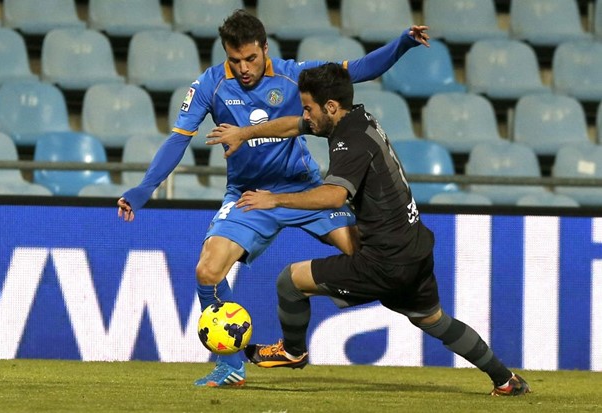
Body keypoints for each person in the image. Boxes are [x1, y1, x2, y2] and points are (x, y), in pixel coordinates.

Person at [117, 8, 430, 388]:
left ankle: (420, 310)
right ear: (225, 55)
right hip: (249, 196)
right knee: (208, 271)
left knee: (368, 258)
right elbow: (178, 139)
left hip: (302, 187)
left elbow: (359, 69)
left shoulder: (293, 73)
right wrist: (144, 189)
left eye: (251, 57)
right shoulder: (210, 86)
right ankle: (230, 366)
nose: (244, 67)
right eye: (235, 60)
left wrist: (402, 44)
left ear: (265, 48)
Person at [206, 63, 532, 396]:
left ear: (330, 107)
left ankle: (292, 352)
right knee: (432, 319)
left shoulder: (350, 142)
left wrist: (274, 199)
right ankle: (505, 379)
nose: (305, 115)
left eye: (309, 107)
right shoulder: (358, 118)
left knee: (290, 281)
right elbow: (295, 125)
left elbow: (334, 196)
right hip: (415, 247)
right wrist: (244, 133)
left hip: (384, 260)